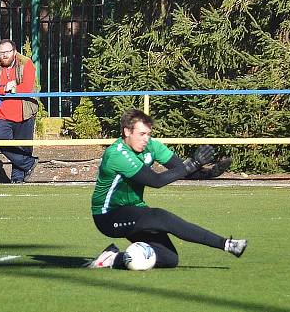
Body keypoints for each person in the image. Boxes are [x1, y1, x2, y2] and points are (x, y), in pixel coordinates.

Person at [88, 108, 244, 269]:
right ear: (127, 131)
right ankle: (227, 244)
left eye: (148, 134)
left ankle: (112, 259)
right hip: (108, 216)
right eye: (142, 134)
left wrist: (209, 173)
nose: (146, 139)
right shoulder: (117, 154)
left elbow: (181, 169)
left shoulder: (151, 146)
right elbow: (156, 180)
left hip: (135, 211)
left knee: (168, 258)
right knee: (160, 217)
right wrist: (194, 163)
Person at [0, 39, 39, 183]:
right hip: (2, 113)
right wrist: (3, 89)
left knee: (23, 148)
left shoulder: (26, 63)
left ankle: (17, 179)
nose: (4, 55)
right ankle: (29, 163)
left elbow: (27, 88)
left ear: (14, 52)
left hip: (24, 111)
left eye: (7, 52)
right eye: (2, 53)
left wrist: (14, 88)